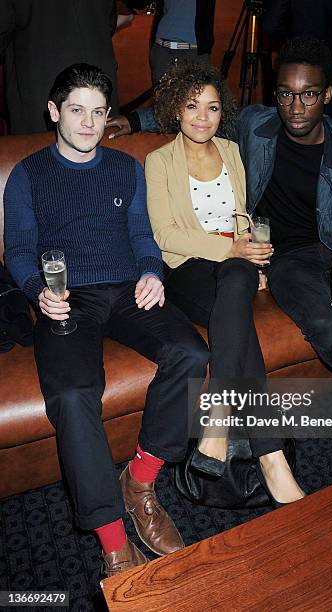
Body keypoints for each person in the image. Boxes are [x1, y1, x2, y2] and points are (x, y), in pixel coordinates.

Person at [107, 35, 332, 465]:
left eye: (308, 95)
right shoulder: (256, 126)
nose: (296, 107)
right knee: (324, 321)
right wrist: (134, 121)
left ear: (328, 95)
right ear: (275, 95)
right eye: (286, 94)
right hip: (286, 257)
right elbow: (196, 111)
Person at [3, 63, 210, 577]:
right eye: (77, 111)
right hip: (67, 297)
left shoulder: (124, 169)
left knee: (192, 351)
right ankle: (113, 540)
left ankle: (140, 480)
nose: (89, 124)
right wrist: (37, 294)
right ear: (54, 112)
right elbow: (20, 250)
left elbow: (143, 234)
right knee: (73, 394)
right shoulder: (29, 174)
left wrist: (151, 272)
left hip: (127, 288)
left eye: (98, 112)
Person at [145, 61, 304, 506]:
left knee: (237, 279)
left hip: (232, 267)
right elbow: (165, 235)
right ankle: (271, 456)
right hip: (186, 269)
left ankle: (220, 420)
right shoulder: (159, 160)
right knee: (236, 285)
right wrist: (234, 251)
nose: (202, 116)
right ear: (176, 109)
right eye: (192, 106)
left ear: (222, 113)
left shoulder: (232, 151)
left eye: (212, 108)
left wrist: (251, 251)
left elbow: (241, 220)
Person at [0, 0, 120, 134]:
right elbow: (110, 22)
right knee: (101, 150)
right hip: (97, 85)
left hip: (44, 89)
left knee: (42, 152)